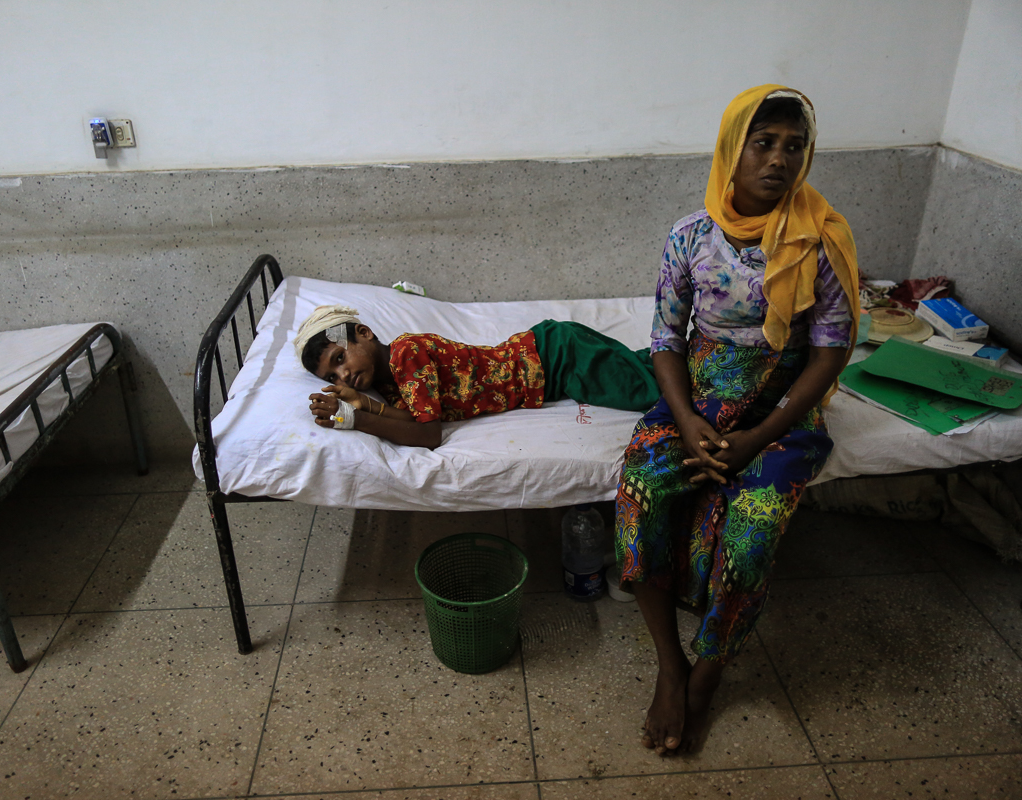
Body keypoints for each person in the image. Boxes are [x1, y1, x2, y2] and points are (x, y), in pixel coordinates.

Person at [615, 85, 860, 756]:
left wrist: (756, 437)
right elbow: (666, 339)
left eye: (794, 146)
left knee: (752, 537)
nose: (779, 159)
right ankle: (671, 667)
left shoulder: (819, 238)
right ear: (732, 150)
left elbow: (831, 350)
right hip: (695, 400)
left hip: (781, 413)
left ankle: (707, 676)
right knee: (643, 494)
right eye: (763, 143)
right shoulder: (690, 236)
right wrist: (689, 421)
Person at [293, 307, 660, 448]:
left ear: (365, 333)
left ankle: (712, 367)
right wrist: (366, 404)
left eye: (340, 357)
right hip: (553, 362)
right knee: (645, 369)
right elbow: (416, 418)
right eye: (333, 374)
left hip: (558, 356)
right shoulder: (386, 381)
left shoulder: (406, 354)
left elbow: (427, 434)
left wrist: (356, 419)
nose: (344, 374)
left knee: (651, 391)